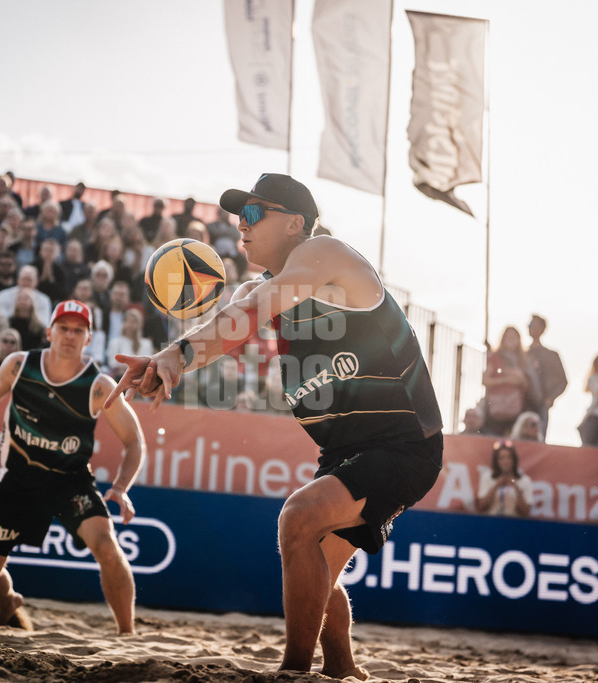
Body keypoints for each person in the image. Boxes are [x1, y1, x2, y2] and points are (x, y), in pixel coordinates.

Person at [107, 173, 443, 677]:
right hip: (346, 448)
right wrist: (170, 361)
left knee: (297, 519)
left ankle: (292, 672)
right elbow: (232, 323)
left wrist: (178, 354)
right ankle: (342, 669)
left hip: (403, 440)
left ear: (294, 223)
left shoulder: (326, 254)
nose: (240, 223)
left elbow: (257, 308)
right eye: (239, 214)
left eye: (254, 212)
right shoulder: (260, 287)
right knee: (319, 571)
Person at [0, 300, 146, 634]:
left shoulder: (99, 384)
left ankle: (127, 634)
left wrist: (120, 487)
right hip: (19, 481)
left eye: (79, 330)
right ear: (49, 332)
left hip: (69, 482)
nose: (70, 336)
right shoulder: (19, 365)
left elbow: (135, 441)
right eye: (63, 328)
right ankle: (8, 603)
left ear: (88, 339)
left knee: (106, 544)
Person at [481, 326, 534, 437]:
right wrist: (504, 380)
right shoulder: (495, 357)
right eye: (508, 337)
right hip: (496, 408)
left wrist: (519, 380)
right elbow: (485, 380)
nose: (511, 340)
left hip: (516, 408)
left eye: (514, 337)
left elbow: (528, 386)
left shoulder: (523, 360)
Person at [525, 314, 567, 439]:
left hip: (541, 404)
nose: (529, 327)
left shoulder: (551, 355)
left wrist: (550, 398)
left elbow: (563, 381)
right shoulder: (523, 353)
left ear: (542, 329)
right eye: (529, 325)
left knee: (539, 437)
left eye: (532, 325)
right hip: (522, 402)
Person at [475, 440, 533, 517]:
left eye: (509, 457)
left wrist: (516, 489)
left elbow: (526, 512)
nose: (505, 462)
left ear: (514, 460)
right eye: (501, 458)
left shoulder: (524, 480)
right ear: (496, 461)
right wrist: (496, 485)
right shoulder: (488, 477)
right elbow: (481, 506)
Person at [105, 308, 153, 380]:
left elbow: (145, 364)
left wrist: (127, 367)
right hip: (119, 378)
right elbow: (112, 362)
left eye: (133, 322)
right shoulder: (115, 342)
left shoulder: (146, 344)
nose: (129, 325)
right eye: (126, 321)